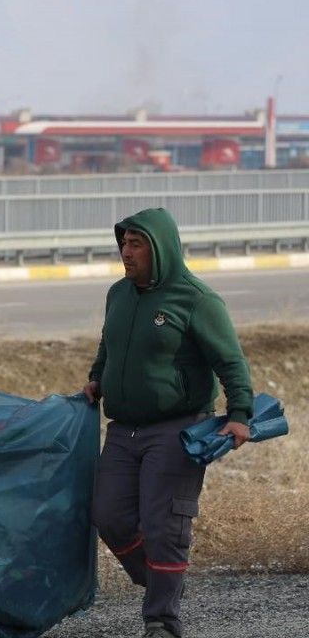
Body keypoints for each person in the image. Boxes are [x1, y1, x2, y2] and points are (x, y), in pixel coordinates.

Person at [84, 207, 253, 638]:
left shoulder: (196, 299)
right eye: (123, 243)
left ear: (160, 248)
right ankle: (161, 579)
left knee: (164, 525)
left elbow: (230, 361)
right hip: (123, 430)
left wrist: (239, 415)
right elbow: (109, 344)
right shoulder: (118, 294)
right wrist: (96, 378)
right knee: (109, 516)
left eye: (136, 244)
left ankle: (161, 618)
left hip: (176, 428)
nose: (126, 252)